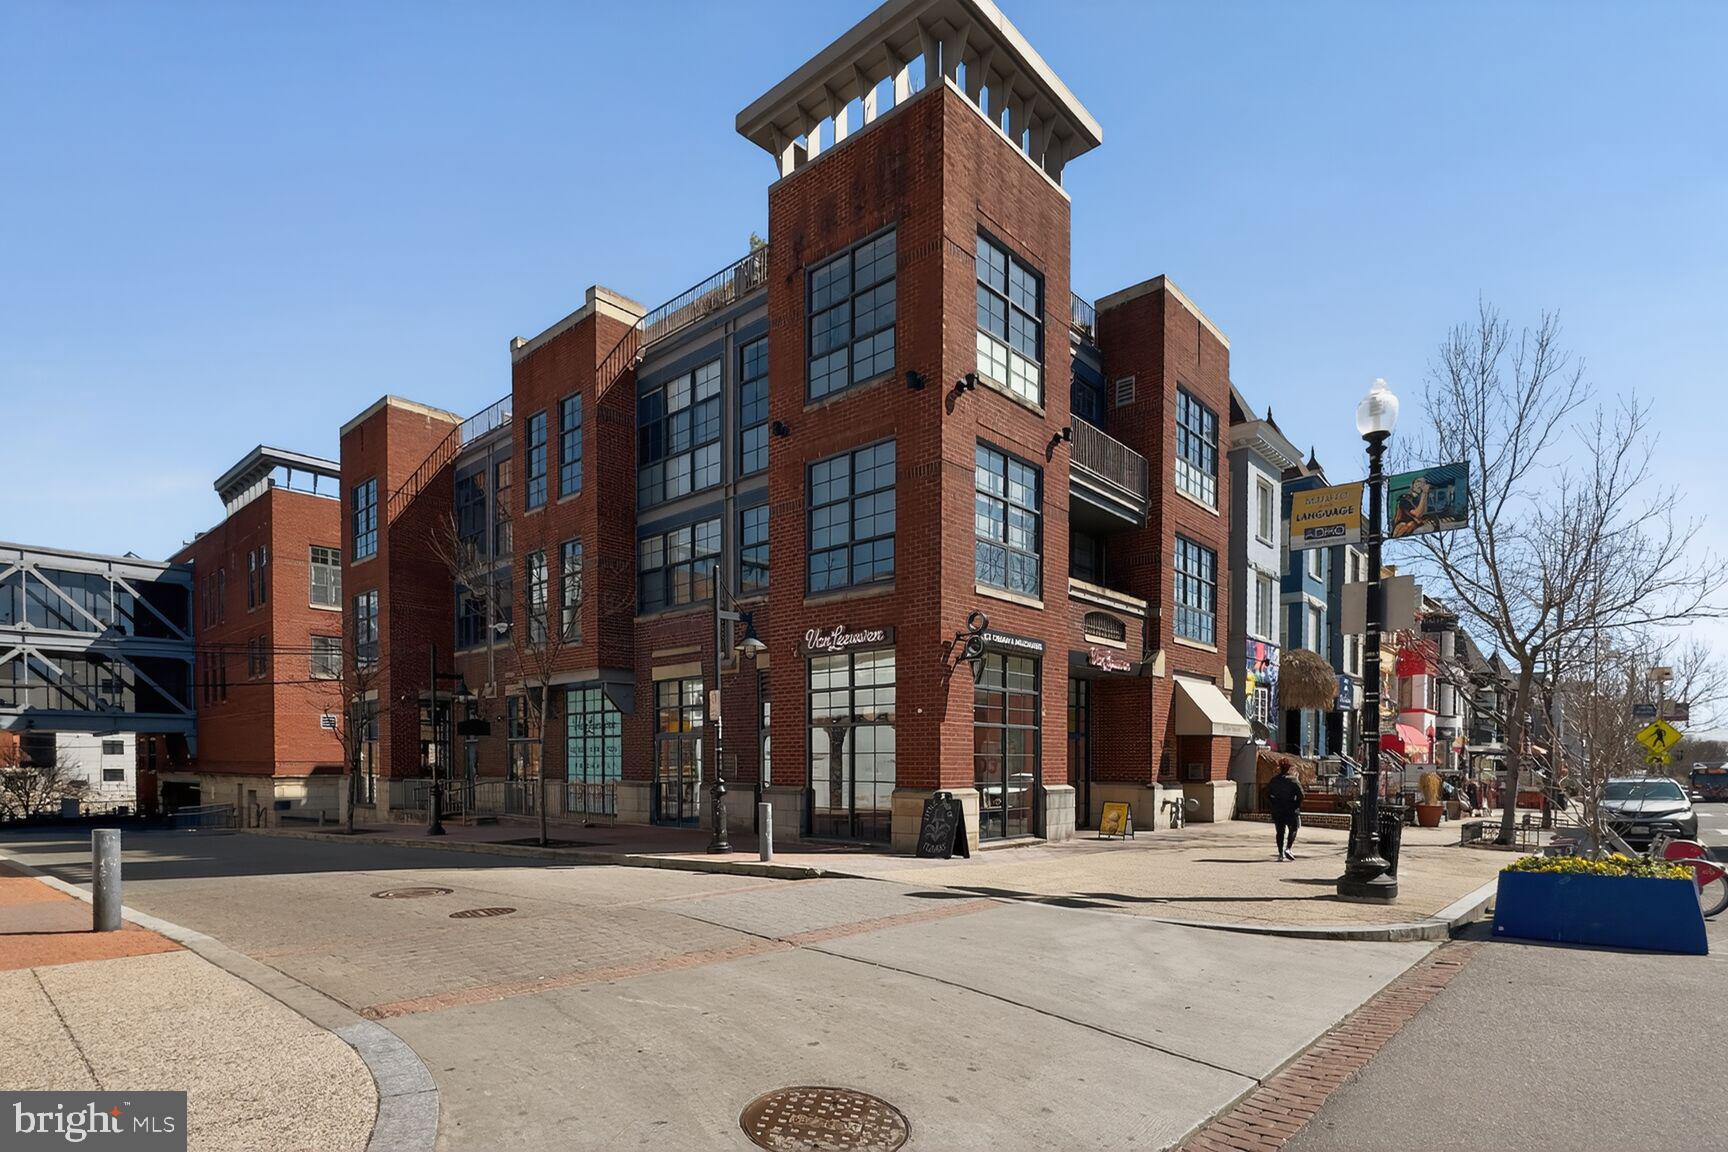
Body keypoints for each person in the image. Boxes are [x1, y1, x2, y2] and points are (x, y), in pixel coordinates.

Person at [1266, 758, 1305, 861]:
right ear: (1288, 768)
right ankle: (1288, 848)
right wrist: (1296, 805)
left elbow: (1267, 793)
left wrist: (1273, 803)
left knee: (1280, 831)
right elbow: (1301, 795)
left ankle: (1280, 853)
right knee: (1293, 828)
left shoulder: (1274, 780)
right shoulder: (1293, 780)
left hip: (1278, 809)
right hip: (1290, 808)